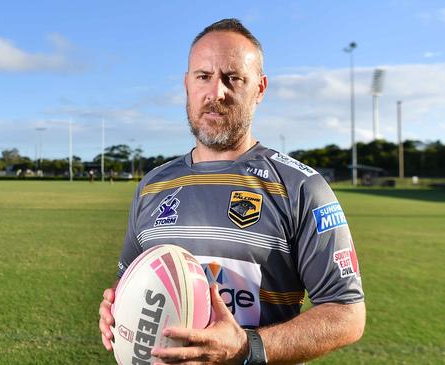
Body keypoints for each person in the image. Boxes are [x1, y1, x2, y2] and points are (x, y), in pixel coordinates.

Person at [98, 18, 365, 364]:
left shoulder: (301, 187)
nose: (216, 92)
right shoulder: (152, 186)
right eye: (204, 76)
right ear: (187, 85)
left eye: (233, 78)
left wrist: (245, 347)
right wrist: (115, 307)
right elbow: (129, 283)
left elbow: (346, 313)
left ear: (260, 89)